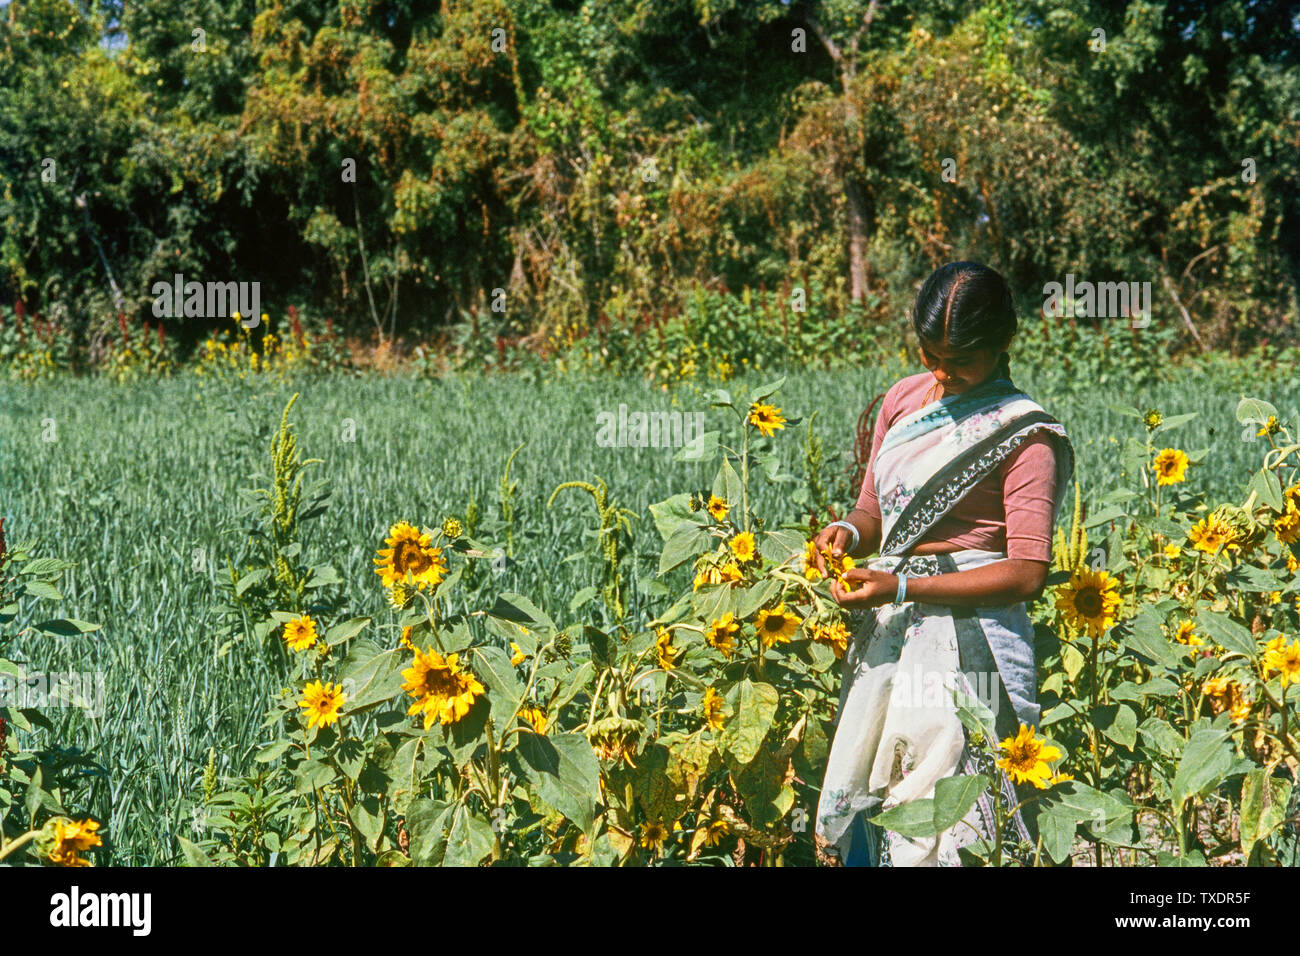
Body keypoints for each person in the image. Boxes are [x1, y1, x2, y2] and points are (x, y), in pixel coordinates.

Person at [812, 261, 1075, 867]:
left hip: (970, 641)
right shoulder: (905, 401)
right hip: (891, 628)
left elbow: (1028, 571)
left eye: (961, 360)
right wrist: (848, 533)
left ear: (1003, 345)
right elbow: (875, 510)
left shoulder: (1024, 436)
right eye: (930, 353)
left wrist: (902, 583)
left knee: (948, 805)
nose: (941, 372)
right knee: (875, 787)